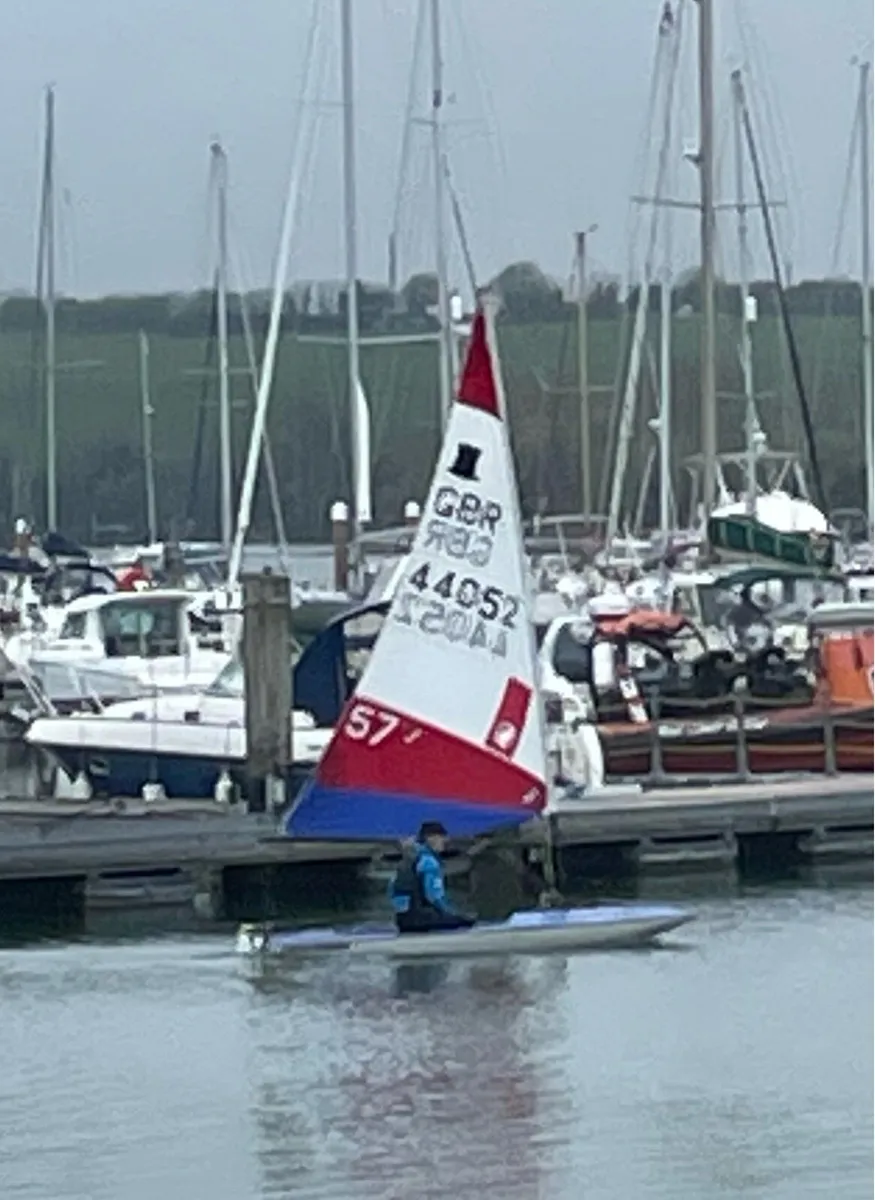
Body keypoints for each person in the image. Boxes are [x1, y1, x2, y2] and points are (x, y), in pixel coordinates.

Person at [389, 821, 476, 934]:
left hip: (402, 920)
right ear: (431, 838)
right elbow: (434, 896)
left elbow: (392, 891)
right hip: (424, 918)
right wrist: (452, 914)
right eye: (442, 837)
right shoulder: (429, 862)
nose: (446, 841)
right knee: (467, 922)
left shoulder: (406, 860)